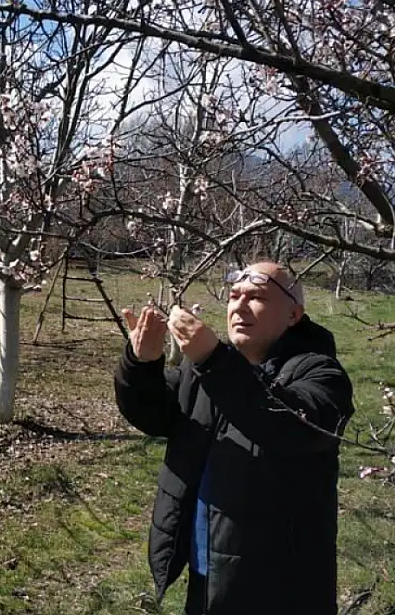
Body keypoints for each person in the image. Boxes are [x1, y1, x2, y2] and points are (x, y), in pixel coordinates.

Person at [114, 261, 354, 615]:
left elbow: (290, 426)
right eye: (233, 296)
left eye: (256, 297)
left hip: (281, 584)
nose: (239, 306)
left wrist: (213, 359)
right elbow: (155, 414)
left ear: (293, 314)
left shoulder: (320, 372)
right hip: (209, 566)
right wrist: (142, 364)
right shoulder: (206, 371)